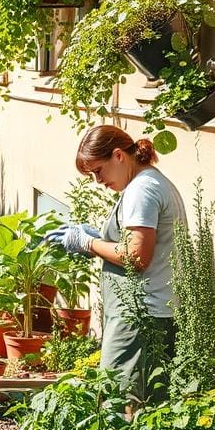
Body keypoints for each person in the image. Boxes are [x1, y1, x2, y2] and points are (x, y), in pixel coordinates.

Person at [47, 125, 187, 399]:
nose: (98, 181)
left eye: (98, 170)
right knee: (142, 402)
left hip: (141, 317)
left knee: (123, 404)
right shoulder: (150, 182)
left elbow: (136, 257)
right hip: (148, 314)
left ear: (119, 156)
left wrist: (89, 243)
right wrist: (98, 243)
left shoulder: (141, 190)